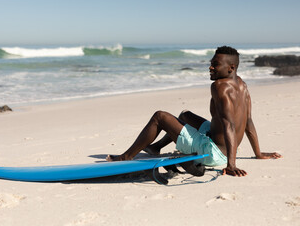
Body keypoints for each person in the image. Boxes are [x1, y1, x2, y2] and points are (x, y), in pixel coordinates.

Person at [106, 46, 282, 177]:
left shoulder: (219, 87)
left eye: (215, 64)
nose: (210, 67)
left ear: (231, 68)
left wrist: (231, 165)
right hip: (224, 146)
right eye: (211, 63)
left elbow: (229, 123)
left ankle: (126, 157)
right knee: (185, 116)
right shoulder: (242, 85)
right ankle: (155, 148)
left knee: (160, 117)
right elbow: (248, 121)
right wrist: (257, 153)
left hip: (214, 153)